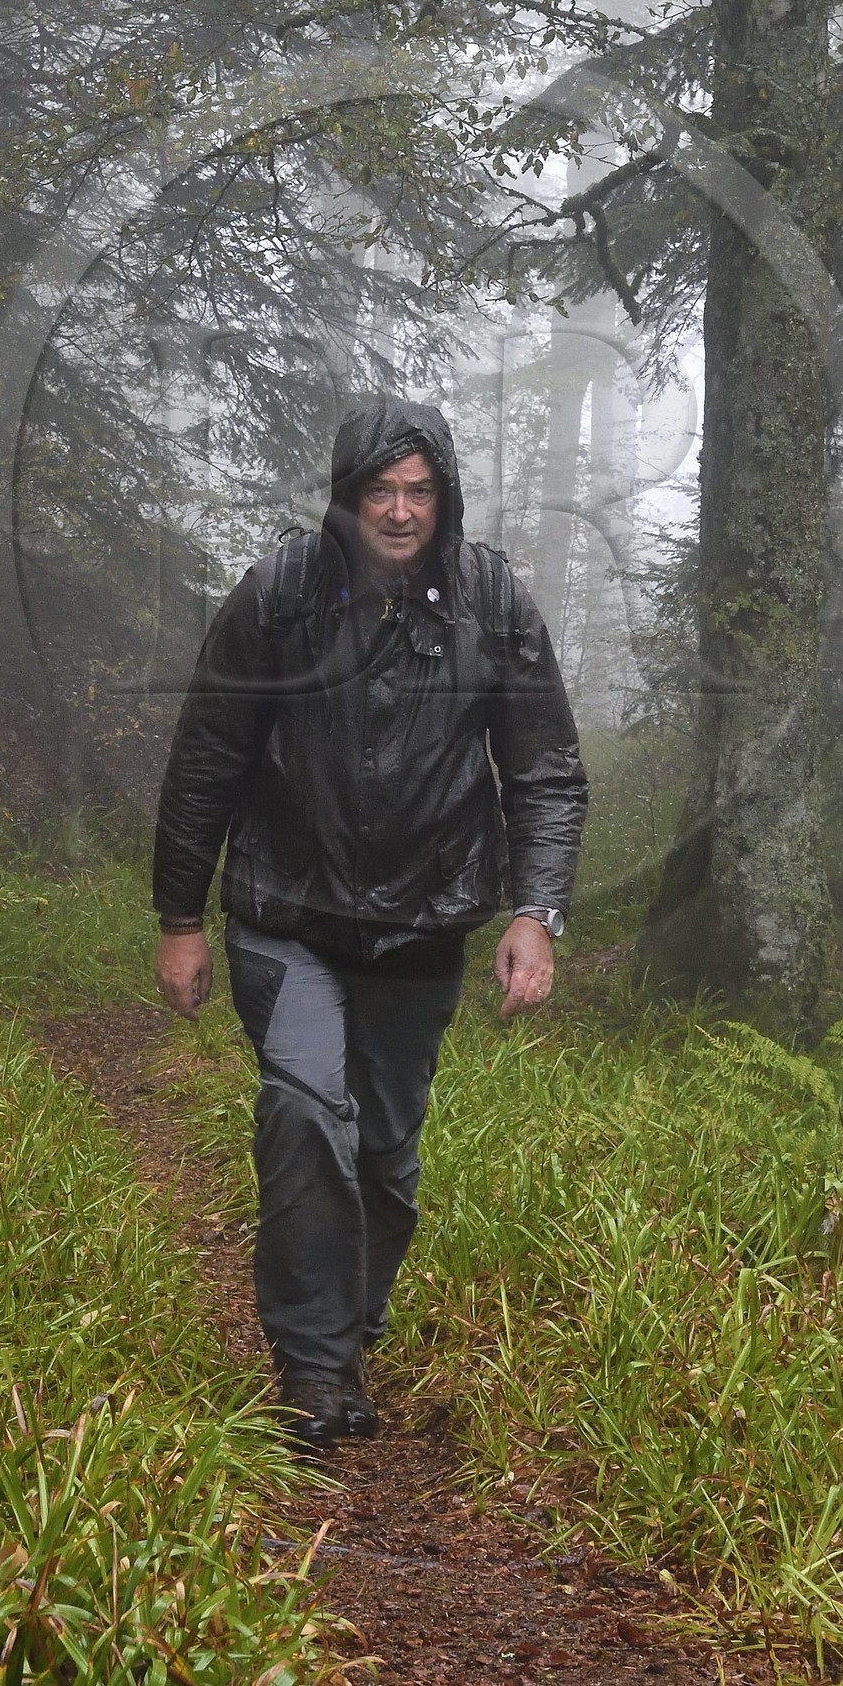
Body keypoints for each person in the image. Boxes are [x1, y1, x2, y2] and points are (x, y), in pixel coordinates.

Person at [151, 396, 588, 1448]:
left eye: (418, 491)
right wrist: (179, 915)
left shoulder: (492, 602)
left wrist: (536, 911)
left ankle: (348, 1329)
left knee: (385, 1152)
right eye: (379, 491)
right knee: (306, 1112)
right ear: (346, 498)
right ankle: (313, 1369)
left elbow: (546, 774)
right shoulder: (280, 595)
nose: (399, 512)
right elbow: (207, 756)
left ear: (445, 498)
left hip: (424, 922)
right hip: (285, 910)